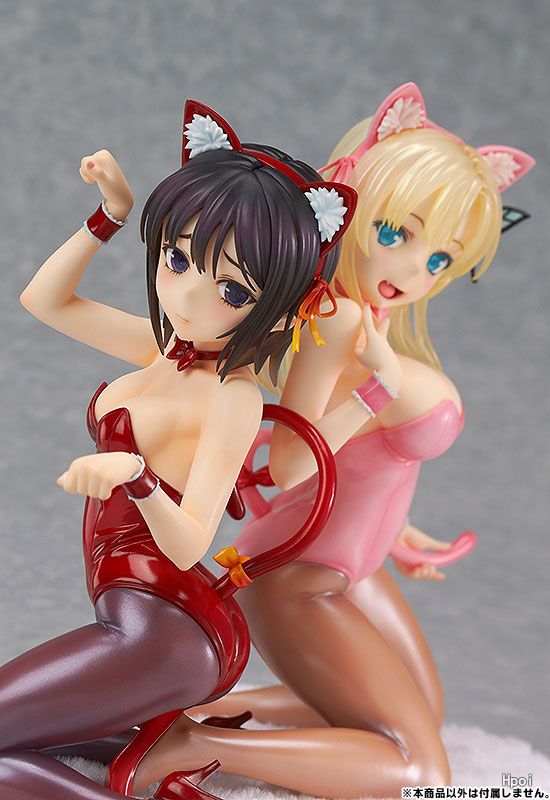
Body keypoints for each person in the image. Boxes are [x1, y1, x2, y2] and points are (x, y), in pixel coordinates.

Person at [121, 84, 535, 800]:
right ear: (354, 208)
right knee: (417, 769)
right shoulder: (337, 321)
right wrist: (380, 391)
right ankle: (195, 744)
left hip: (352, 563)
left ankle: (199, 712)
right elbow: (291, 461)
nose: (414, 272)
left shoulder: (371, 322)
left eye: (441, 259)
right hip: (298, 573)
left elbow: (364, 458)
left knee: (423, 710)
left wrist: (397, 531)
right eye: (396, 234)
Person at [0, 100, 360, 800]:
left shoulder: (231, 397)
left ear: (281, 310)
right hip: (129, 613)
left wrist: (136, 476)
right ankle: (163, 765)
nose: (188, 296)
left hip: (165, 628)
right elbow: (45, 301)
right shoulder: (165, 348)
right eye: (176, 257)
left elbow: (194, 537)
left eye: (230, 288)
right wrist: (110, 215)